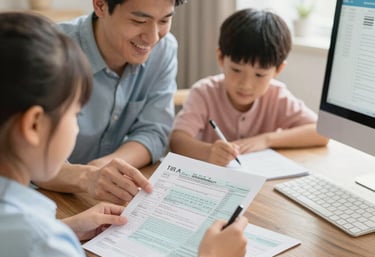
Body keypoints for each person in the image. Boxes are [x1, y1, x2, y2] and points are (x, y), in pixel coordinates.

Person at [0, 12, 249, 257]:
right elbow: (35, 241)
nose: (152, 36)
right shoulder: (51, 58)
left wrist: (65, 229)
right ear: (33, 125)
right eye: (75, 113)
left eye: (164, 20)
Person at [34, 0, 188, 205]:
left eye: (164, 20)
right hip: (38, 197)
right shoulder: (50, 53)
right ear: (100, 6)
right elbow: (21, 153)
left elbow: (154, 131)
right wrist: (87, 176)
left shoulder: (164, 49)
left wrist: (104, 167)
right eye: (139, 20)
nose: (152, 37)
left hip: (99, 198)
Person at [170, 8, 329, 166]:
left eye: (259, 75)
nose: (245, 84)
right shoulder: (204, 93)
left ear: (278, 70)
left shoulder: (277, 95)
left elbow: (322, 132)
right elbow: (177, 141)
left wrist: (266, 139)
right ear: (220, 58)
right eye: (236, 70)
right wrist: (209, 152)